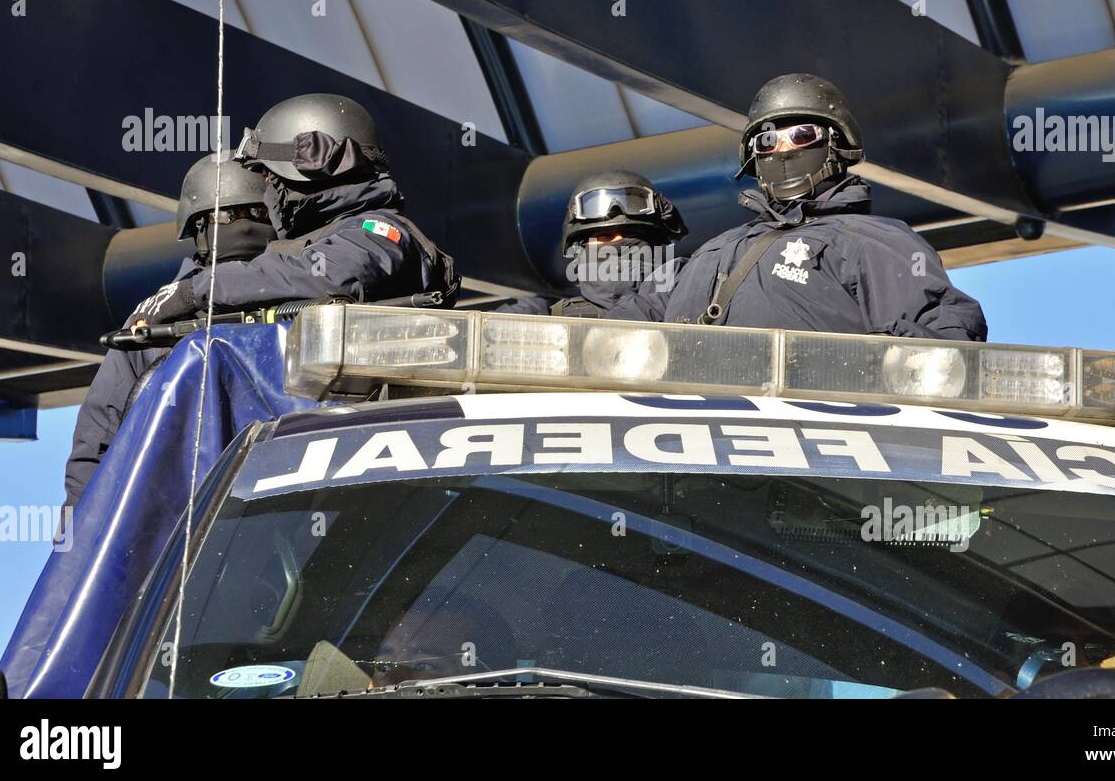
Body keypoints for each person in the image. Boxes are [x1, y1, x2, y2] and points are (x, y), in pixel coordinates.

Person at [607, 73, 987, 341]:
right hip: (691, 435)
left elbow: (942, 332)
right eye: (767, 140)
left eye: (803, 135)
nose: (783, 150)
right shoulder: (710, 254)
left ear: (837, 146)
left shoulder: (874, 242)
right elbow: (618, 328)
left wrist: (869, 366)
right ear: (752, 159)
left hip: (808, 437)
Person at [134, 93, 459, 327]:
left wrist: (195, 291)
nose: (266, 189)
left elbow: (332, 275)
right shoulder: (304, 248)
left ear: (304, 174)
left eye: (269, 176)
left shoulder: (382, 232)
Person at [63, 155, 276, 507]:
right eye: (231, 216)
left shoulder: (303, 285)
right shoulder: (151, 318)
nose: (250, 225)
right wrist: (76, 542)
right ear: (201, 227)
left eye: (259, 214)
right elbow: (98, 440)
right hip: (180, 509)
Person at [498, 169, 686, 318]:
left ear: (656, 245)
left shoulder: (686, 301)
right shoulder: (547, 318)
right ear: (580, 249)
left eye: (632, 235)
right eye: (604, 237)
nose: (618, 244)